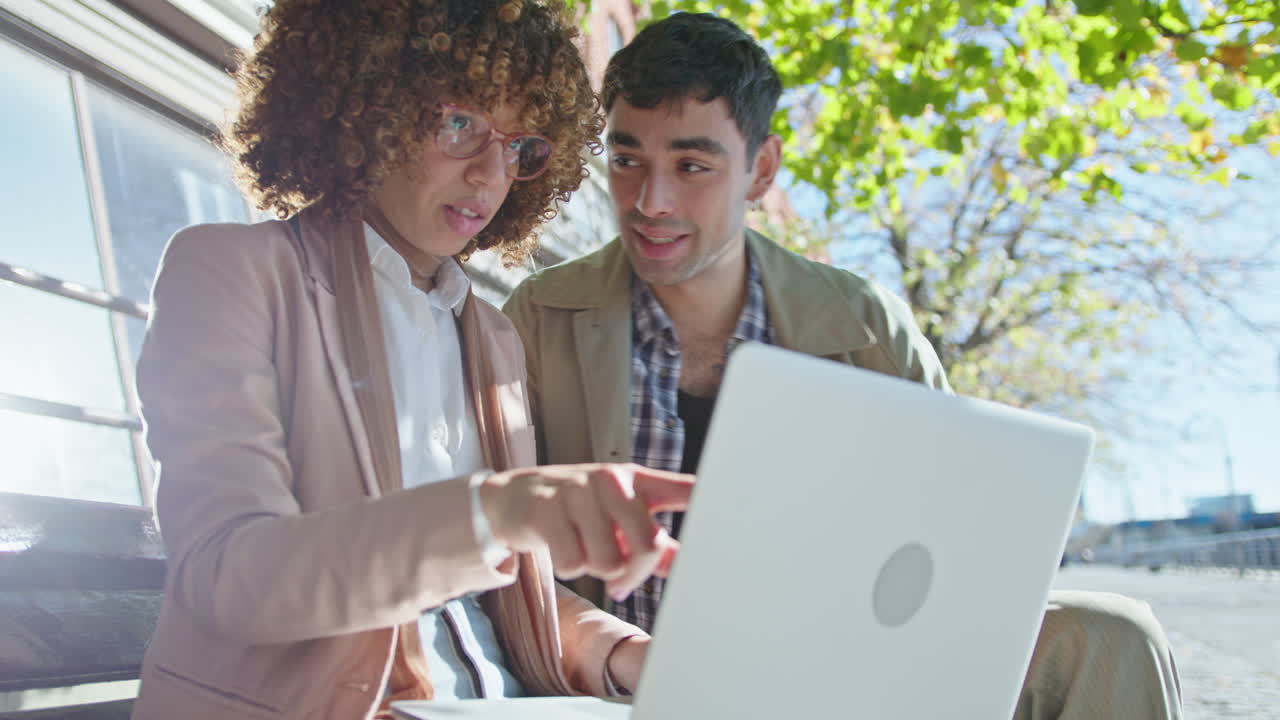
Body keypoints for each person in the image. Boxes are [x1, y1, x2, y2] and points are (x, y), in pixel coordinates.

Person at [504, 12, 1183, 719]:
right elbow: (500, 554)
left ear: (761, 169)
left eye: (691, 166)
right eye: (626, 160)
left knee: (1111, 635)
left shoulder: (868, 327)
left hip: (845, 676)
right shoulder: (535, 321)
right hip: (632, 680)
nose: (650, 201)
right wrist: (617, 656)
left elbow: (958, 542)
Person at [131, 2, 693, 719]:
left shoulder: (492, 337)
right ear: (369, 110)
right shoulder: (230, 272)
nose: (493, 174)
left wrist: (629, 656)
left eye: (520, 147)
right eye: (461, 123)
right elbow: (231, 577)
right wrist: (495, 511)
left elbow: (511, 597)